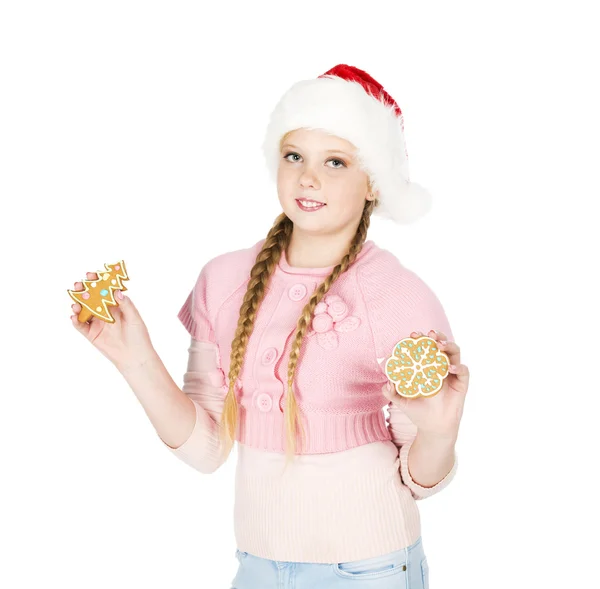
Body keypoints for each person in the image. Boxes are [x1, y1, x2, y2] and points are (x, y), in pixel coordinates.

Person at [70, 64, 470, 588]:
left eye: (336, 161)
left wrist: (440, 432)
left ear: (373, 182)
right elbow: (206, 449)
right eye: (294, 156)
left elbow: (420, 480)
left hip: (369, 567)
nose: (309, 177)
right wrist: (135, 358)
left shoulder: (398, 295)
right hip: (258, 568)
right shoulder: (224, 280)